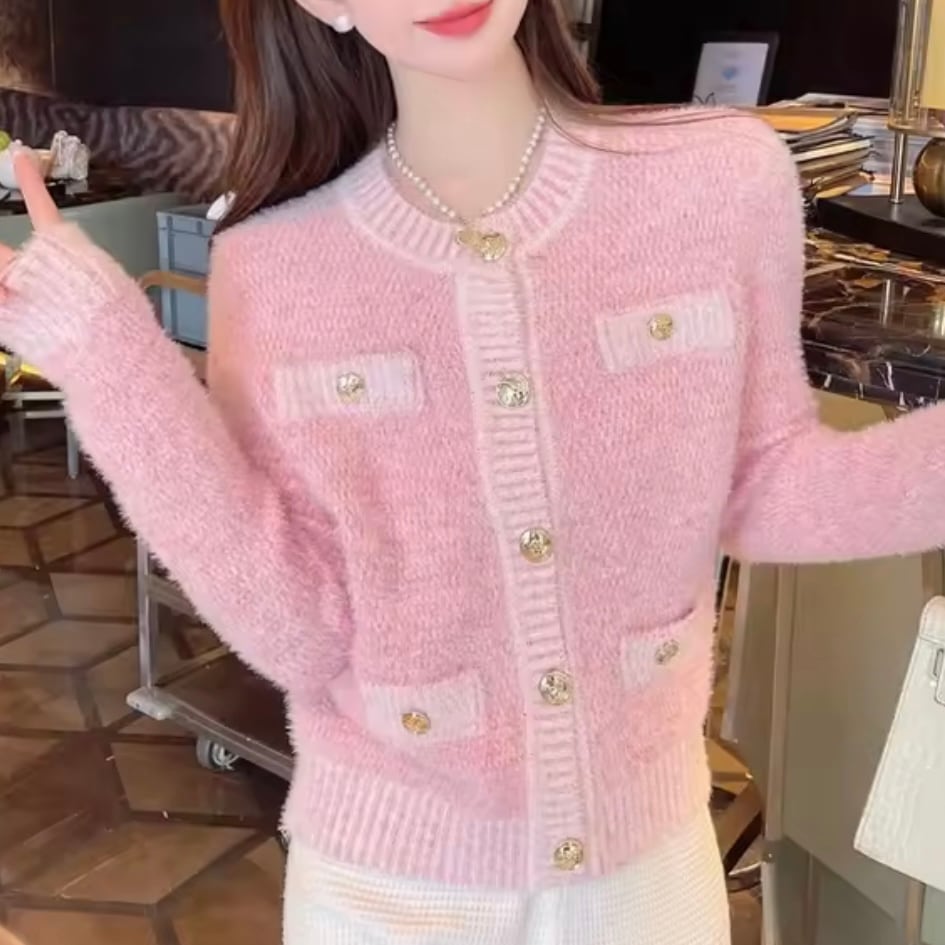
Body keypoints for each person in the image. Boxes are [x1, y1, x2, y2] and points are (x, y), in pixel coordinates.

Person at [1, 0, 944, 942]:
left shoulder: (719, 177)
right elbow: (300, 632)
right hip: (387, 892)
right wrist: (104, 353)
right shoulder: (275, 265)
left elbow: (766, 481)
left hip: (649, 872)